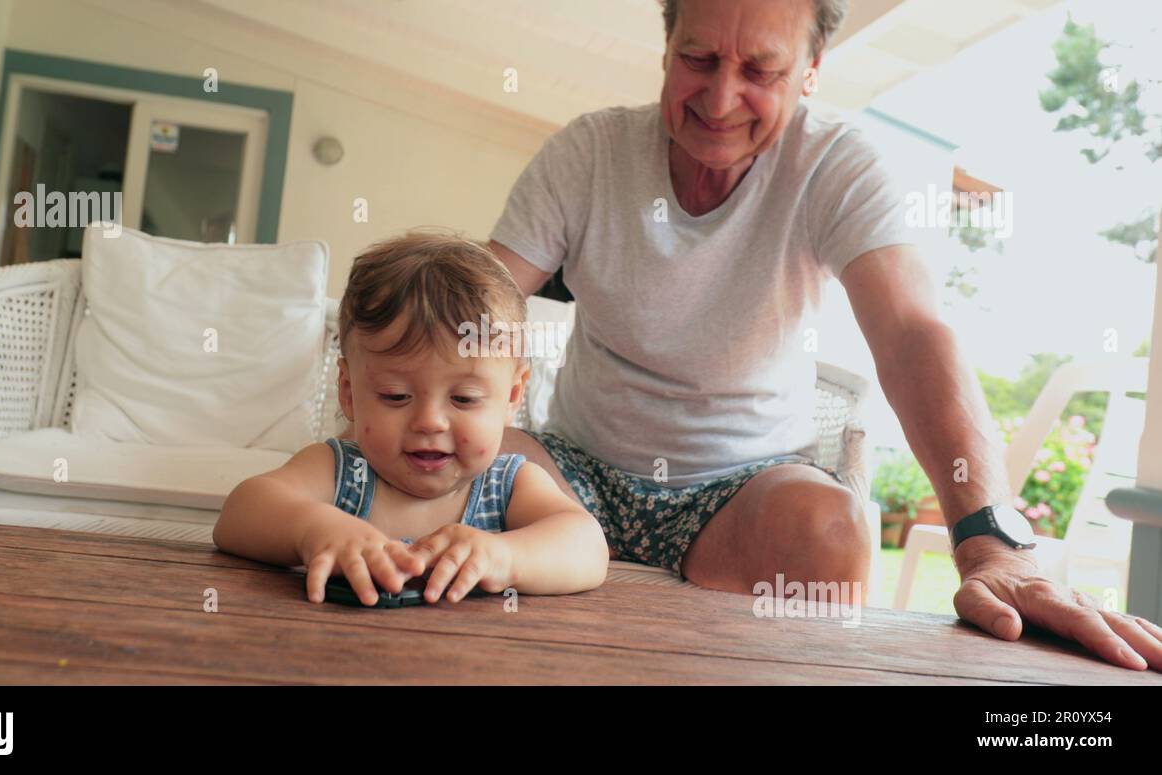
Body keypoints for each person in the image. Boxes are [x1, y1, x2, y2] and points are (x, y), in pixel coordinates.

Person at [488, 0, 1162, 670]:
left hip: (737, 497)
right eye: (699, 59)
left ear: (811, 71)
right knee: (469, 463)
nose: (721, 99)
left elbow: (910, 333)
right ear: (666, 48)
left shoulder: (834, 164)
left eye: (760, 69)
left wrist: (994, 544)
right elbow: (475, 308)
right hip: (574, 478)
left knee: (834, 529)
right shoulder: (588, 152)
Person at [214, 231, 609, 607]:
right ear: (349, 392)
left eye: (463, 398)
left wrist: (504, 556)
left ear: (511, 397)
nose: (430, 422)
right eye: (396, 396)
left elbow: (587, 546)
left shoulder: (507, 486)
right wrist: (314, 530)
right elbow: (239, 513)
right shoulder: (341, 472)